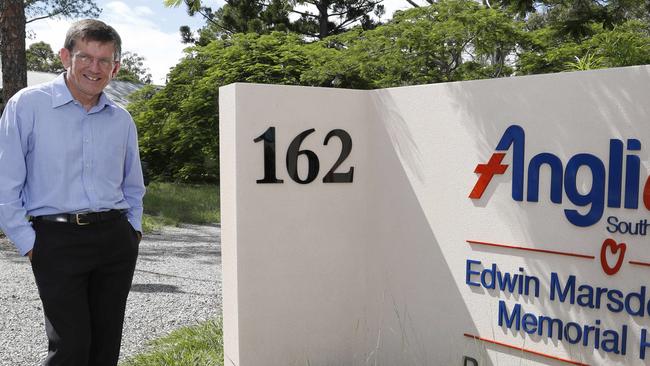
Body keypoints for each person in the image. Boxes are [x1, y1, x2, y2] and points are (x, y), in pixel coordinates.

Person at [0, 19, 145, 366]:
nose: (94, 68)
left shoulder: (121, 120)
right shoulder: (27, 106)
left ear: (116, 67)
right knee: (71, 348)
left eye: (104, 60)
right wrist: (30, 243)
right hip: (55, 240)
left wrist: (133, 230)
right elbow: (6, 183)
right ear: (65, 56)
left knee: (105, 347)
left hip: (114, 240)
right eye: (85, 57)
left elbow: (133, 185)